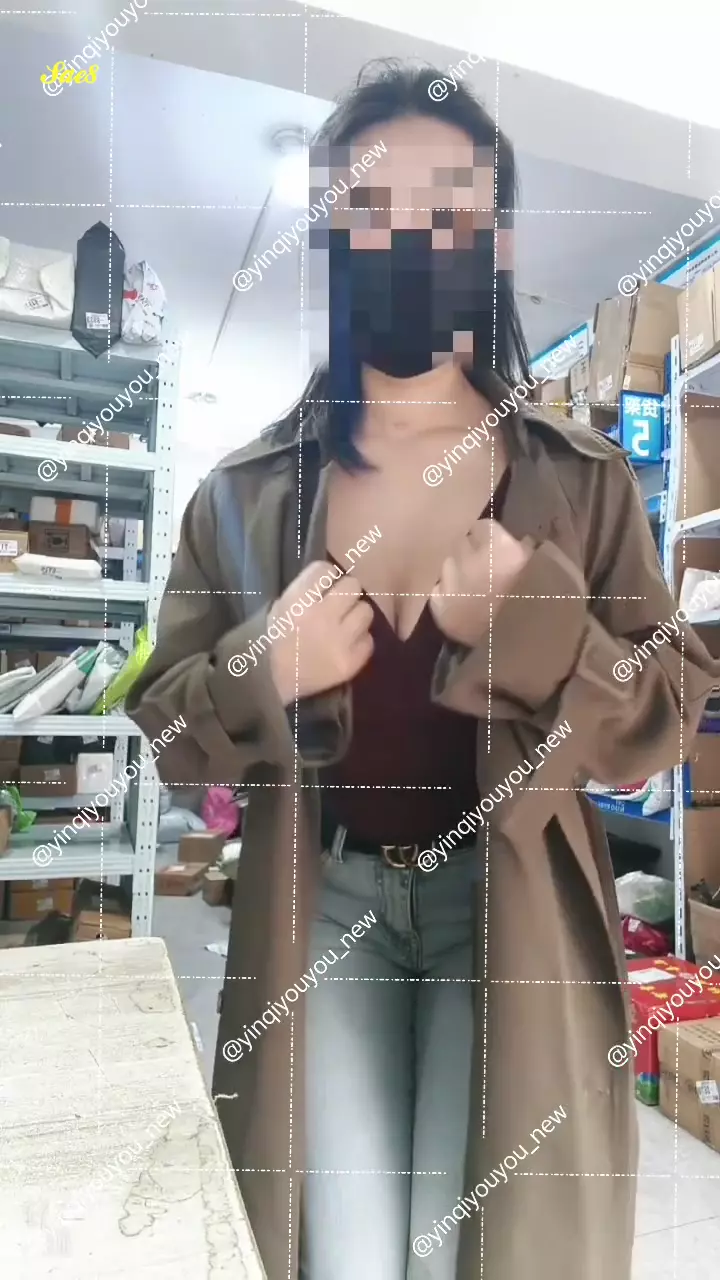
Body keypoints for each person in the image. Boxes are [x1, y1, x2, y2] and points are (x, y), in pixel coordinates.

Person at [126, 61, 718, 1280]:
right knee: (342, 1251)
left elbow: (665, 714)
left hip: (508, 909)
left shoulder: (581, 479)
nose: (413, 235)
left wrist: (529, 620)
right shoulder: (244, 492)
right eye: (371, 202)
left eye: (451, 204)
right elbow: (170, 734)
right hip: (322, 903)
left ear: (499, 240)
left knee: (475, 1242)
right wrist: (264, 669)